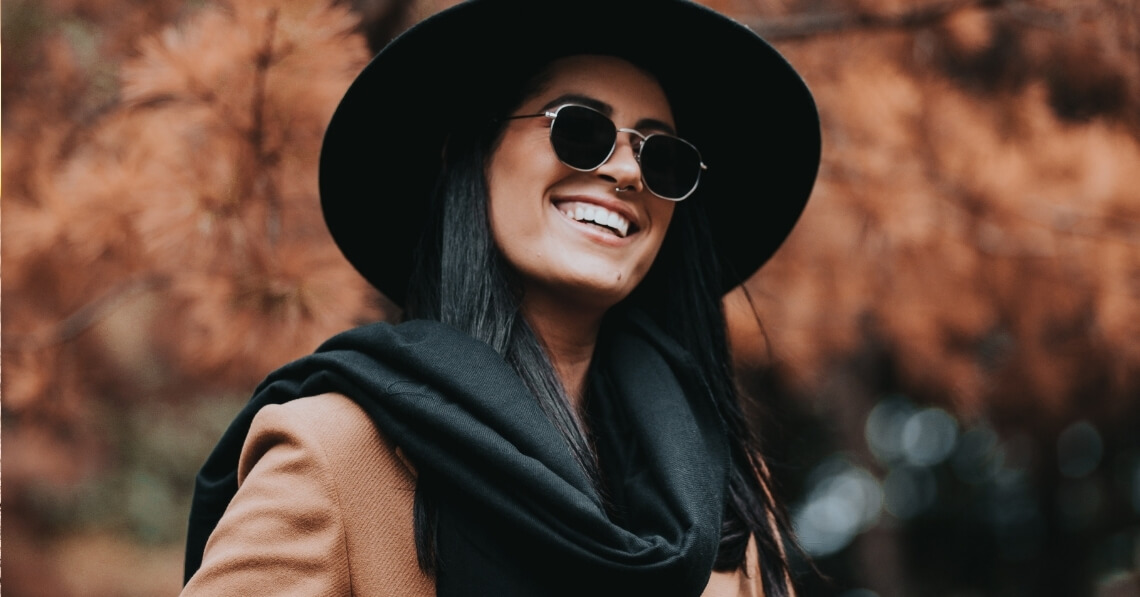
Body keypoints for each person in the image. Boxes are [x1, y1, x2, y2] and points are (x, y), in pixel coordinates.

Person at [181, 0, 820, 595]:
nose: (627, 171)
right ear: (476, 155)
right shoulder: (336, 452)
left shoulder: (724, 498)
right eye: (580, 129)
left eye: (664, 159)